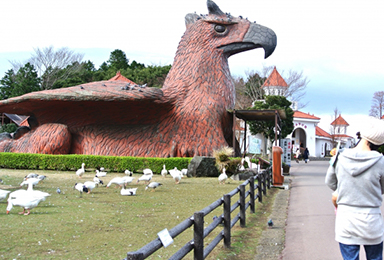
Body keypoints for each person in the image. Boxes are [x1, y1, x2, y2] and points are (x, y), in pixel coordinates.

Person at [325, 116, 384, 260]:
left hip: (346, 220)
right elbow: (382, 188)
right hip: (372, 222)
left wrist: (346, 188)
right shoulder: (380, 161)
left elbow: (330, 182)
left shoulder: (339, 157)